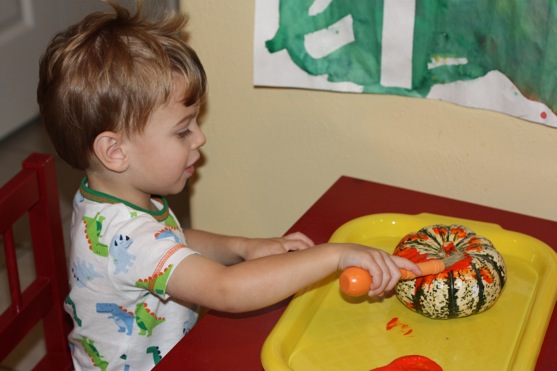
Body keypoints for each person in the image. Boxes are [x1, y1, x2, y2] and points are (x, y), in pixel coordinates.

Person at [37, 1, 421, 369]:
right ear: (114, 151)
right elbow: (225, 290)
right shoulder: (128, 237)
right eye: (182, 130)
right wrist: (334, 256)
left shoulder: (111, 197)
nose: (200, 139)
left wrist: (242, 247)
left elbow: (170, 237)